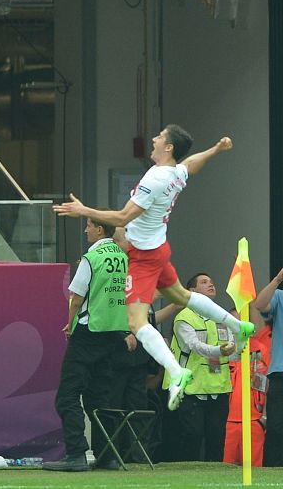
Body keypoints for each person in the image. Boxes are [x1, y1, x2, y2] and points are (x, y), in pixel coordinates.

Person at [53, 127, 255, 411]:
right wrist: (216, 149)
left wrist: (84, 211)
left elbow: (123, 216)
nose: (154, 139)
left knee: (136, 322)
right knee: (181, 296)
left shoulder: (157, 177)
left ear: (169, 147)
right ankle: (237, 325)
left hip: (143, 255)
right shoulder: (174, 173)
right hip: (158, 247)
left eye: (160, 137)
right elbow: (190, 165)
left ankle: (176, 371)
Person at [43, 218, 128, 472]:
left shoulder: (91, 258)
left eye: (89, 225)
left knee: (67, 396)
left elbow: (77, 296)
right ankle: (107, 455)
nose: (86, 230)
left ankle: (76, 454)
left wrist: (69, 324)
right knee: (99, 397)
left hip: (89, 330)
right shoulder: (122, 257)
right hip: (112, 332)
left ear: (100, 229)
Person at [161, 273, 237, 461]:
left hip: (217, 386)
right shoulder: (184, 317)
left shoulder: (220, 317)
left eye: (211, 282)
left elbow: (232, 349)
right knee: (192, 435)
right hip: (190, 387)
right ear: (191, 291)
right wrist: (221, 350)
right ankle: (188, 472)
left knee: (216, 436)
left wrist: (238, 346)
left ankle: (216, 474)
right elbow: (195, 346)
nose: (211, 284)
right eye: (204, 282)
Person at [224, 309, 270, 467]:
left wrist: (264, 416)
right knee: (226, 470)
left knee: (254, 470)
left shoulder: (261, 349)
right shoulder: (221, 350)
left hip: (254, 420)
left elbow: (270, 383)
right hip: (226, 421)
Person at [252, 269, 283, 466]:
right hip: (280, 372)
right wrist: (278, 279)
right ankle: (274, 470)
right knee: (277, 427)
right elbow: (259, 304)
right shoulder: (280, 296)